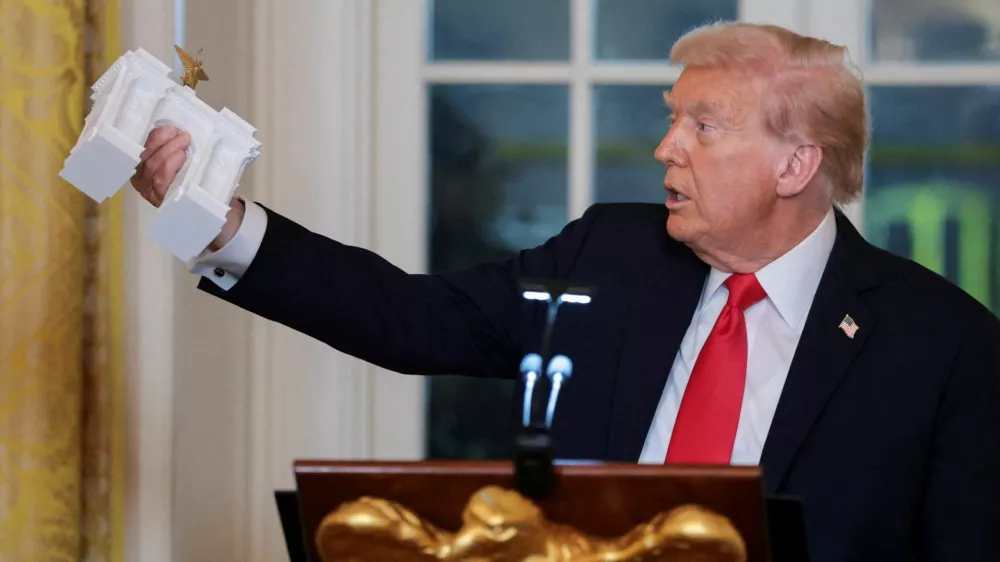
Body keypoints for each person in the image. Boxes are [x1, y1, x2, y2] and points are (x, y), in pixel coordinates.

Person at [131, 22, 1000, 562]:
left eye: (703, 126)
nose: (667, 148)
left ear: (796, 163)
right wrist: (223, 226)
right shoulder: (612, 254)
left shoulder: (943, 346)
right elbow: (413, 318)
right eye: (671, 117)